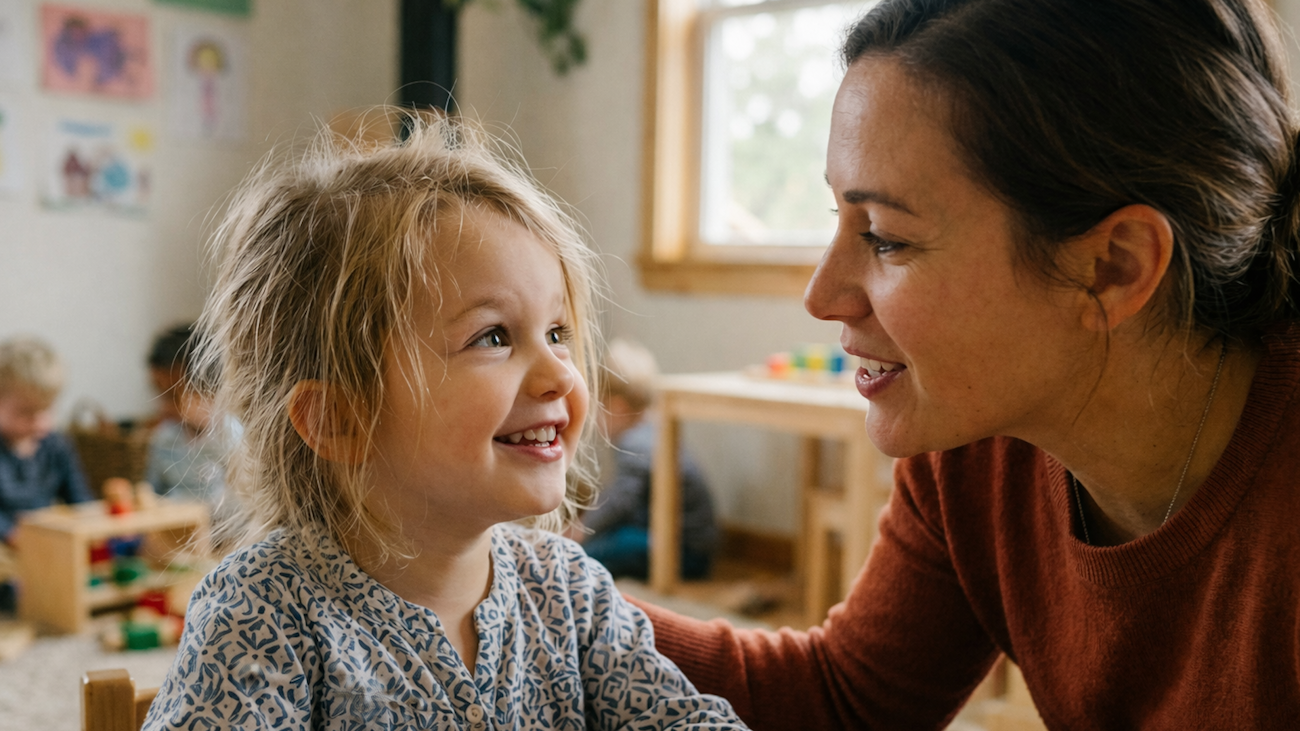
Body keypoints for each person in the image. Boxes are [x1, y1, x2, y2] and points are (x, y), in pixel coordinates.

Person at [630, 0, 1300, 728]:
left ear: (1113, 266)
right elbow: (847, 700)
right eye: (841, 221)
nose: (821, 296)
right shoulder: (973, 439)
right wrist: (542, 596)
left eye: (886, 237)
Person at [143, 112, 745, 731]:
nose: (562, 375)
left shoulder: (567, 591)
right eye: (493, 336)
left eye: (558, 333)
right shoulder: (262, 614)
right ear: (340, 419)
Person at [581, 338, 718, 580]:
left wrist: (580, 532)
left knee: (595, 552)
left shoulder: (635, 443)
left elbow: (618, 504)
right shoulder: (654, 430)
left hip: (683, 552)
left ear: (619, 407)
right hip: (688, 545)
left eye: (598, 409)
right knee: (616, 537)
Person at [0, 337, 94, 610]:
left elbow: (80, 498)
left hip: (47, 538)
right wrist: (12, 534)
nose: (40, 421)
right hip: (9, 544)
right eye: (26, 412)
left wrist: (91, 525)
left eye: (46, 410)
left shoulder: (57, 445)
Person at [143, 323, 232, 509]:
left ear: (208, 392)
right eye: (159, 394)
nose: (164, 408)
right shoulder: (164, 438)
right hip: (173, 528)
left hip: (219, 528)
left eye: (172, 396)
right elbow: (153, 492)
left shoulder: (229, 436)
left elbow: (240, 500)